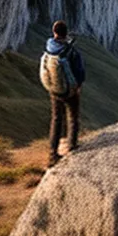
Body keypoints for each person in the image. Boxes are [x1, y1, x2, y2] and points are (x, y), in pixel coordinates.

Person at [39, 20, 85, 167]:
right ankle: (72, 145)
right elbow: (80, 72)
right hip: (69, 91)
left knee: (56, 119)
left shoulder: (49, 46)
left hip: (54, 89)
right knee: (73, 117)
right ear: (66, 33)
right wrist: (77, 86)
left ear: (54, 32)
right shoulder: (71, 52)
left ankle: (52, 154)